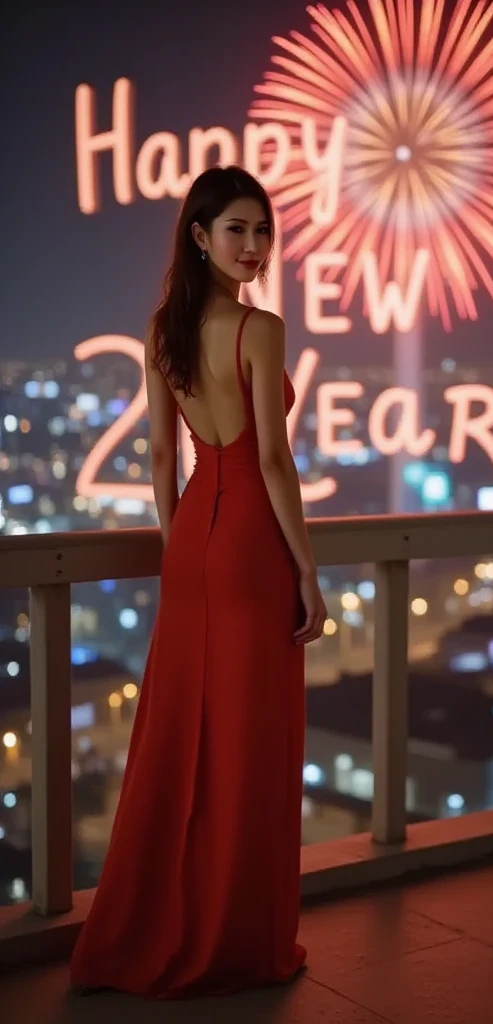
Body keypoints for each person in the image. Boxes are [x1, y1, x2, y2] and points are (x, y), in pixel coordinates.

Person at [70, 166, 327, 999]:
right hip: (253, 540)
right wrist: (308, 571)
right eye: (237, 231)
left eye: (262, 231)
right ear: (200, 236)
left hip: (192, 541)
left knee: (183, 739)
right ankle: (239, 940)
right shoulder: (260, 329)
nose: (253, 248)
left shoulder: (162, 330)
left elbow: (156, 455)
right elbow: (274, 459)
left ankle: (150, 926)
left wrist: (183, 549)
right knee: (251, 741)